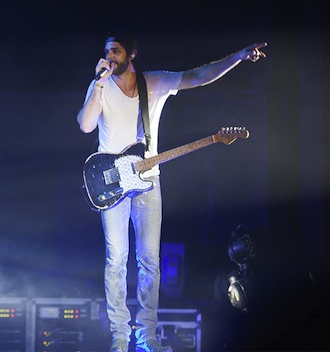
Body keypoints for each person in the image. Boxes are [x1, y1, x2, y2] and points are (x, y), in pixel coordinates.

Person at [77, 30, 266, 352]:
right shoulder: (102, 86)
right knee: (116, 259)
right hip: (111, 184)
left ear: (131, 55)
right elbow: (85, 125)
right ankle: (119, 337)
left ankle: (145, 336)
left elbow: (199, 76)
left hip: (148, 180)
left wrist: (237, 56)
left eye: (116, 52)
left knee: (149, 260)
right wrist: (97, 84)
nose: (110, 57)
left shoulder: (155, 82)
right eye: (107, 51)